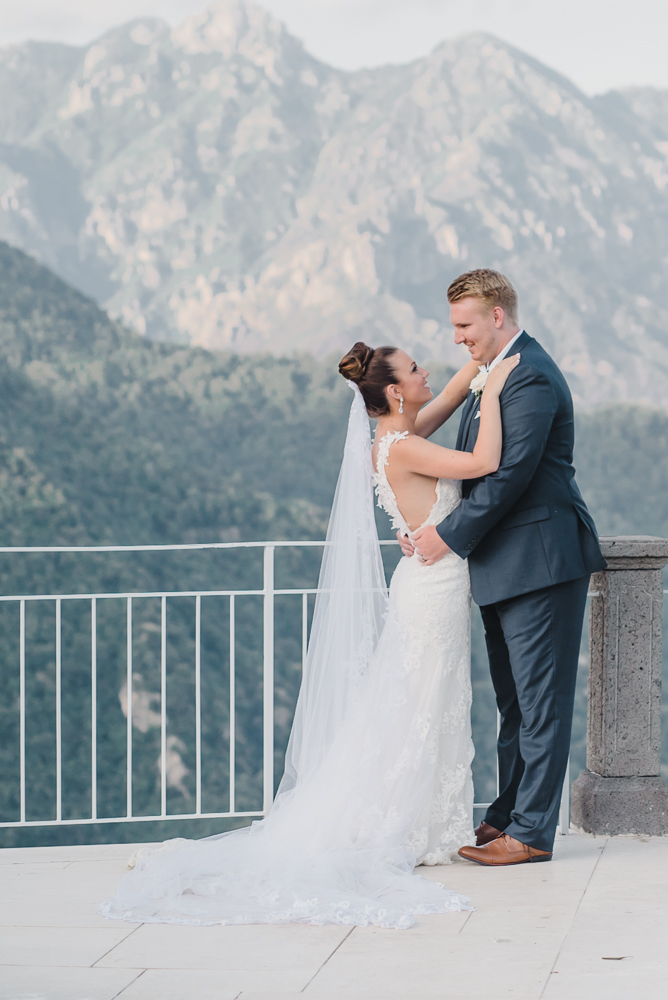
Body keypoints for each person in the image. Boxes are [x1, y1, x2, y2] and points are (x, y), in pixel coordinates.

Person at [98, 337, 518, 929]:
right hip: (431, 592)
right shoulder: (403, 447)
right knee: (423, 705)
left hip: (430, 585)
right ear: (395, 391)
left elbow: (446, 398)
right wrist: (496, 392)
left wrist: (481, 359)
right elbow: (483, 463)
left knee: (429, 703)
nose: (428, 372)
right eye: (416, 368)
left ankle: (429, 821)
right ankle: (407, 824)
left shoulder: (396, 437)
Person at [402, 269, 606, 866]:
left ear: (497, 316)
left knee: (540, 702)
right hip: (503, 563)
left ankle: (533, 833)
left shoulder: (531, 374)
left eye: (464, 325)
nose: (458, 338)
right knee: (513, 702)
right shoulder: (495, 372)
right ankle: (506, 814)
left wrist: (448, 535)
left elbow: (511, 474)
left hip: (539, 561)